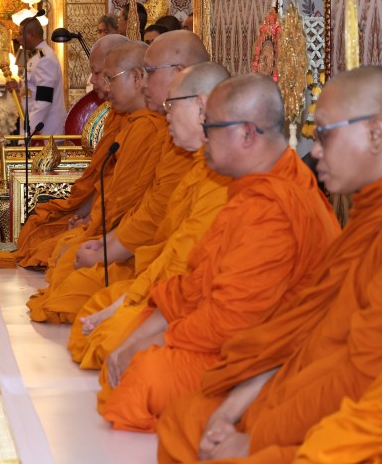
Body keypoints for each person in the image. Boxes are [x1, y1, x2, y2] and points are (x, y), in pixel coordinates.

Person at [156, 66, 382, 462]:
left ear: (376, 133)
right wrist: (235, 409)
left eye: (324, 134)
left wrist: (257, 438)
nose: (315, 151)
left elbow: (361, 378)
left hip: (351, 421)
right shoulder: (365, 226)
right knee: (185, 419)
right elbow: (306, 338)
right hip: (307, 390)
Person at [98, 73, 340, 433]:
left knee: (145, 379)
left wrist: (155, 342)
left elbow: (232, 319)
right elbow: (195, 283)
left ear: (246, 134)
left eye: (210, 127)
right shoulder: (250, 190)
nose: (204, 136)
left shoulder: (272, 206)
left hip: (267, 355)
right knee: (129, 351)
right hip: (231, 337)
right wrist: (138, 340)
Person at [26, 30, 209, 324]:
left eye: (150, 72)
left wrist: (107, 250)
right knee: (66, 269)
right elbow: (143, 204)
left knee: (75, 291)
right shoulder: (166, 133)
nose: (144, 82)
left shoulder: (172, 137)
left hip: (164, 265)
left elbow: (161, 222)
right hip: (151, 255)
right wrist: (102, 239)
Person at [68, 62, 232, 370]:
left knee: (116, 349)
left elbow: (186, 270)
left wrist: (131, 307)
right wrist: (127, 296)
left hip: (202, 308)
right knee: (93, 323)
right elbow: (168, 246)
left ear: (201, 106)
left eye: (172, 105)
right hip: (165, 287)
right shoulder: (199, 167)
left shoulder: (223, 179)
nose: (167, 114)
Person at [14, 34, 128, 267]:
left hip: (119, 227)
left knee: (58, 253)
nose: (92, 80)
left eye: (97, 73)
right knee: (38, 229)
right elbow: (102, 179)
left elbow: (126, 194)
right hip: (102, 215)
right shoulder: (117, 118)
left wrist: (92, 221)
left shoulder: (46, 59)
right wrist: (85, 215)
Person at [10, 16, 66, 136]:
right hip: (36, 128)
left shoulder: (45, 59)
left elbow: (43, 100)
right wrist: (18, 88)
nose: (18, 38)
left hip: (44, 132)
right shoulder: (36, 57)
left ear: (32, 35)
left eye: (21, 34)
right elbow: (32, 90)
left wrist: (29, 130)